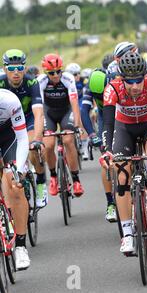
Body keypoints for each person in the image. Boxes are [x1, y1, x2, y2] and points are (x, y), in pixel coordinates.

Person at [100, 51, 147, 254]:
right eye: (129, 81)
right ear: (122, 78)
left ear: (145, 76)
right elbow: (107, 123)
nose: (135, 86)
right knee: (121, 176)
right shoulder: (112, 88)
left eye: (139, 80)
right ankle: (128, 234)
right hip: (125, 129)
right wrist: (106, 151)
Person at [1, 49, 48, 208]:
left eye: (19, 68)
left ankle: (41, 182)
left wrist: (38, 139)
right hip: (7, 123)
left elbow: (39, 114)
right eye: (11, 68)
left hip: (27, 119)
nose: (16, 72)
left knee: (32, 147)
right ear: (5, 69)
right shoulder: (1, 83)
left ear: (25, 69)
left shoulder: (31, 83)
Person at [38, 53, 84, 197]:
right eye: (52, 73)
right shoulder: (41, 81)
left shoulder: (68, 78)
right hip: (48, 113)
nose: (56, 75)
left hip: (66, 111)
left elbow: (75, 103)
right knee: (49, 145)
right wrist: (38, 132)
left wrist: (77, 125)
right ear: (46, 72)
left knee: (68, 140)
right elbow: (38, 107)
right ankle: (53, 176)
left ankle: (76, 180)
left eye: (58, 71)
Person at [0, 89, 31, 269]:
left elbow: (22, 138)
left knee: (15, 184)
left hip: (8, 138)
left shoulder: (9, 100)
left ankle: (20, 247)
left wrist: (19, 169)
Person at [81, 69, 116, 222]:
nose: (101, 98)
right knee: (105, 160)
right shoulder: (90, 87)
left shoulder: (115, 82)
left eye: (102, 95)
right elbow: (84, 111)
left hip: (121, 113)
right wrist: (92, 135)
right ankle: (111, 204)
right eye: (98, 97)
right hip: (104, 118)